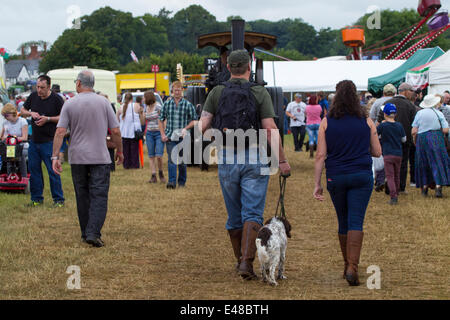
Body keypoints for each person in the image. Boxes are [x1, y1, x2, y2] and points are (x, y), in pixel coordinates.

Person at [199, 49, 291, 280]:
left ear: (228, 67)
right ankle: (246, 263)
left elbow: (202, 128)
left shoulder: (217, 92)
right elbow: (270, 128)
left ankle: (240, 259)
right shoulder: (259, 92)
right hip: (255, 156)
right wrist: (282, 160)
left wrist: (218, 138)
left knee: (234, 214)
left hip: (227, 157)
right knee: (252, 212)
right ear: (249, 67)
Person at [313, 80, 381, 286]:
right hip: (361, 175)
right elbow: (377, 151)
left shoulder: (327, 122)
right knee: (356, 220)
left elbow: (320, 155)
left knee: (343, 220)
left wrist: (317, 183)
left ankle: (347, 265)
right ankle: (353, 267)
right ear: (356, 97)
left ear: (336, 97)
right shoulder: (367, 121)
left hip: (336, 176)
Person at [52, 70, 124, 247]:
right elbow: (115, 131)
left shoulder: (69, 104)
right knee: (99, 195)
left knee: (82, 195)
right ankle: (93, 232)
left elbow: (60, 131)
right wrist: (120, 151)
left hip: (77, 157)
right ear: (93, 84)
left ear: (78, 83)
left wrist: (55, 156)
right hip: (100, 156)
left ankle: (86, 232)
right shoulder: (104, 102)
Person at [20, 75, 65, 207]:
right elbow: (22, 110)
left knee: (53, 171)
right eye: (37, 87)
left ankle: (58, 200)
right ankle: (36, 199)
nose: (39, 90)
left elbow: (63, 117)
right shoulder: (33, 96)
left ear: (49, 87)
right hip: (34, 141)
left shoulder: (57, 99)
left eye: (42, 88)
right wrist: (31, 114)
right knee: (34, 171)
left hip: (49, 141)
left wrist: (48, 119)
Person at [377, 82, 417, 194]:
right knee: (402, 165)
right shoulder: (410, 105)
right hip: (404, 140)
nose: (412, 94)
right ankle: (400, 187)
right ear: (404, 91)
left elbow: (379, 120)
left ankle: (388, 184)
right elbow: (414, 123)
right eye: (411, 91)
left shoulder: (386, 103)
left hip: (387, 139)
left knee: (387, 163)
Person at [159, 81, 197, 189]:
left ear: (182, 91)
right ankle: (171, 182)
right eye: (175, 90)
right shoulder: (167, 104)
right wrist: (162, 134)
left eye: (179, 90)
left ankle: (182, 182)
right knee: (171, 160)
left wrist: (186, 128)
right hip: (170, 136)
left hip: (182, 137)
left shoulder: (187, 104)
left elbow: (195, 120)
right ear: (172, 91)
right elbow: (160, 119)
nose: (177, 92)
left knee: (182, 161)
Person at [412, 94, 450, 198]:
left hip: (422, 139)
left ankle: (424, 188)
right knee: (437, 161)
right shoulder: (438, 113)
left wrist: (415, 140)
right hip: (436, 137)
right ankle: (438, 187)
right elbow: (446, 130)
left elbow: (414, 130)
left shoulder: (419, 113)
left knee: (423, 162)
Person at [377, 104, 407, 205]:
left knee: (389, 176)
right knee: (397, 175)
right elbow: (404, 139)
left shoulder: (383, 126)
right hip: (398, 153)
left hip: (387, 153)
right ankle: (397, 192)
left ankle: (393, 196)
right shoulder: (399, 125)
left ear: (385, 114)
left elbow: (376, 136)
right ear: (395, 114)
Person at [0, 103, 28, 177]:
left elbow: (24, 137)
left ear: (12, 113)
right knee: (9, 154)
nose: (5, 118)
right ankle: (10, 175)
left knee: (20, 154)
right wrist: (8, 138)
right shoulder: (5, 123)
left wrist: (12, 138)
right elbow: (2, 137)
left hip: (22, 145)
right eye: (4, 116)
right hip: (10, 147)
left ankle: (23, 175)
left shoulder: (22, 121)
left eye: (6, 115)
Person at [117, 93, 144, 169]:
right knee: (134, 149)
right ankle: (134, 164)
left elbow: (117, 118)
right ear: (132, 99)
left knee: (125, 150)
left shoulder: (121, 107)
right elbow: (141, 117)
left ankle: (126, 165)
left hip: (124, 131)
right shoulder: (136, 105)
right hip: (133, 131)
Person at [144, 90, 165, 183]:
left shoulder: (158, 107)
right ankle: (153, 176)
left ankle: (161, 173)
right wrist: (141, 114)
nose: (143, 99)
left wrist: (163, 132)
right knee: (151, 156)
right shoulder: (146, 107)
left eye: (145, 97)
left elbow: (164, 119)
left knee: (159, 156)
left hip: (158, 133)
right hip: (149, 133)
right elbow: (143, 121)